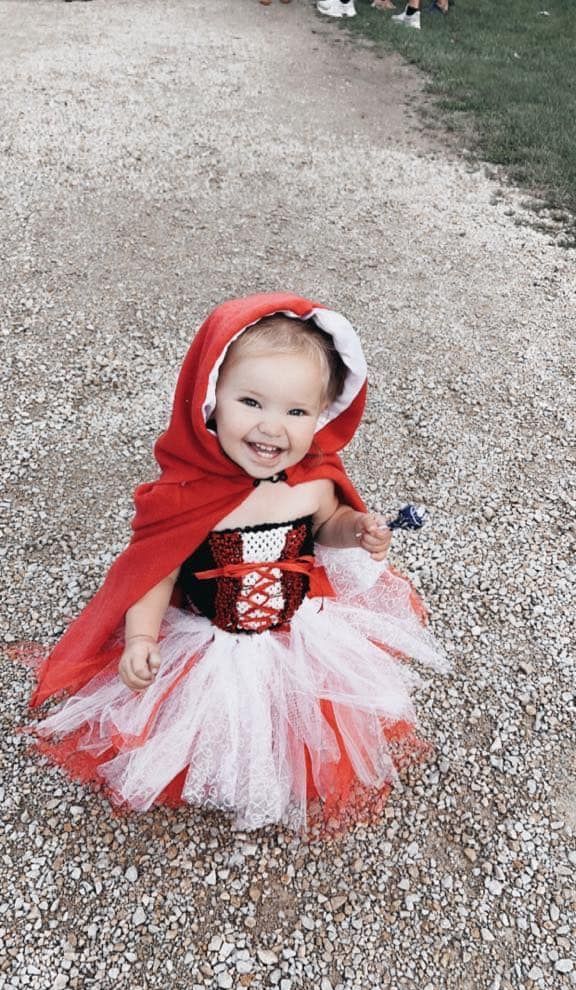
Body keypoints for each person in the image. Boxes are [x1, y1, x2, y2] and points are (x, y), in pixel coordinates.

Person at [25, 293, 448, 834]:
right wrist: (140, 639)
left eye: (296, 412)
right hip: (211, 642)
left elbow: (328, 526)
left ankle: (281, 764)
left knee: (297, 715)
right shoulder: (186, 494)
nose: (273, 428)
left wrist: (357, 531)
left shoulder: (312, 482)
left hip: (299, 634)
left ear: (321, 416)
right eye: (251, 402)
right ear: (210, 399)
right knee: (219, 721)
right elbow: (156, 570)